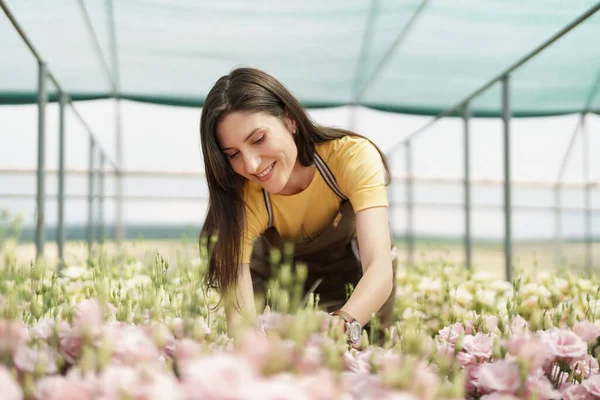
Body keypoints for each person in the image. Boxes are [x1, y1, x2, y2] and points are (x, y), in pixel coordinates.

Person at [199, 67, 397, 345]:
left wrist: (342, 324)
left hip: (357, 279)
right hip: (284, 285)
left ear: (290, 120)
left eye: (258, 139)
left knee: (371, 359)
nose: (252, 165)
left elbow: (379, 265)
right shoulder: (242, 198)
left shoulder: (351, 157)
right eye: (234, 154)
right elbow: (241, 323)